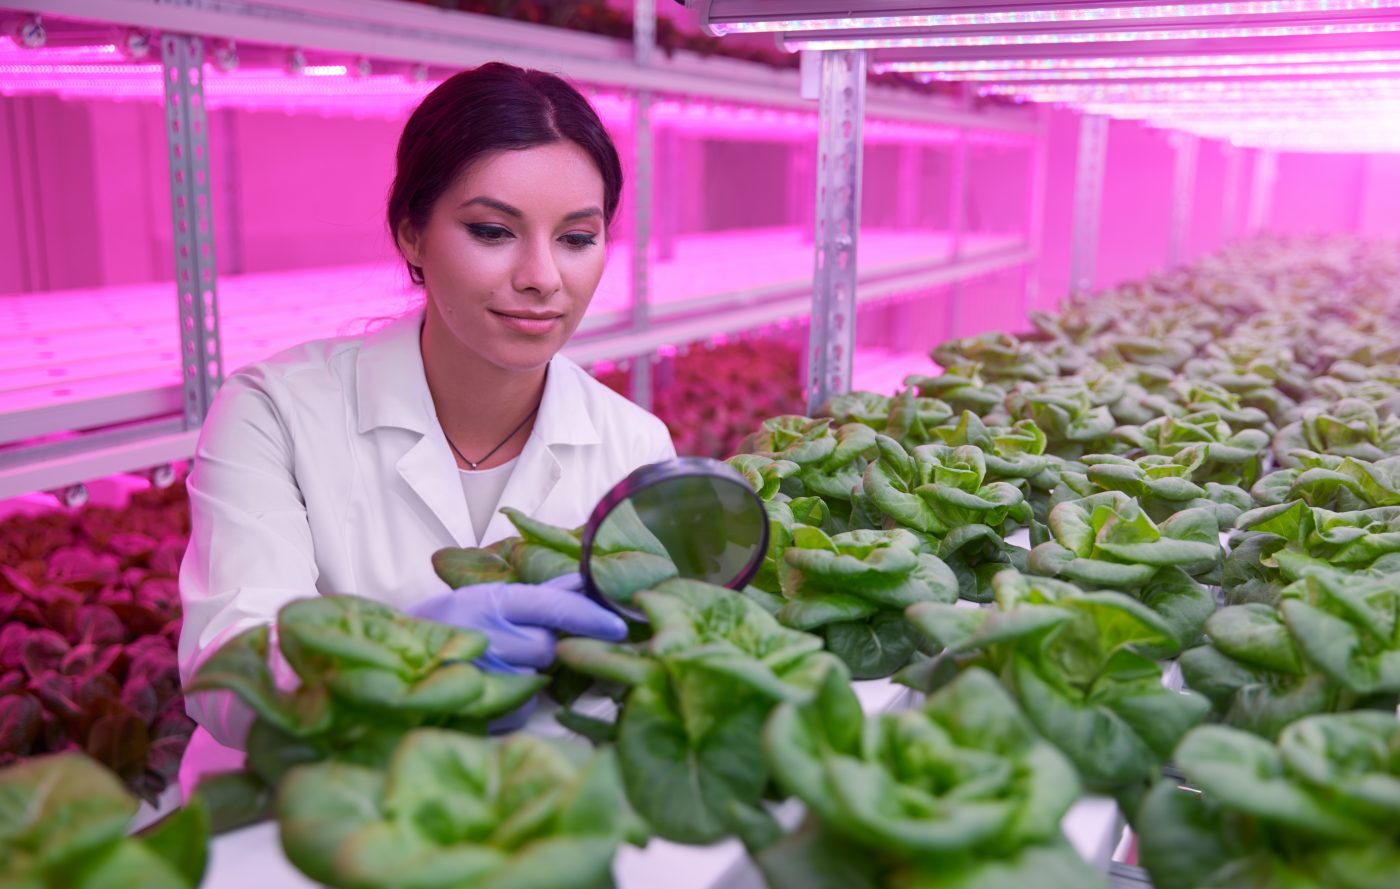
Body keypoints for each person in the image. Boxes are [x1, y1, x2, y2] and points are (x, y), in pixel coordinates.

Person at [176, 62, 675, 788]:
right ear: (412, 233)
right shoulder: (274, 410)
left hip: (503, 812)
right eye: (493, 230)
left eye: (576, 237)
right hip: (295, 813)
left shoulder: (634, 446)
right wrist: (416, 648)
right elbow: (228, 669)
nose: (542, 276)